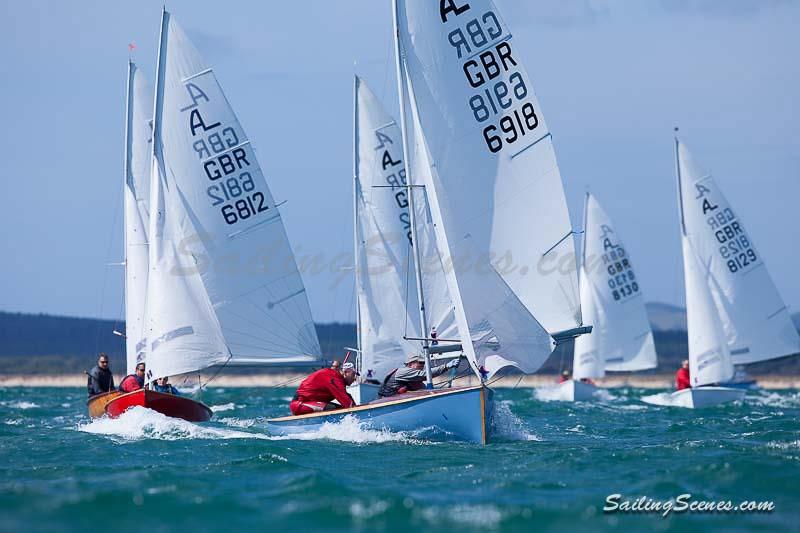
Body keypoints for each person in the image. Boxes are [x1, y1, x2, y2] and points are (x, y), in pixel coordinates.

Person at [289, 362, 358, 415]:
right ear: (346, 372)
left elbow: (347, 398)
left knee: (341, 408)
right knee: (333, 409)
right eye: (353, 374)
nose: (354, 378)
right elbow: (346, 402)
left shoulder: (336, 378)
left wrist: (357, 408)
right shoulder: (334, 379)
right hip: (299, 404)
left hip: (310, 402)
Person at [377, 354, 460, 398]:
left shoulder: (414, 378)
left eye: (424, 363)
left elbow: (425, 390)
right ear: (410, 364)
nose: (423, 365)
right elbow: (425, 374)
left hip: (398, 403)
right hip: (386, 403)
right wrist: (446, 366)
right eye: (420, 362)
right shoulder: (403, 372)